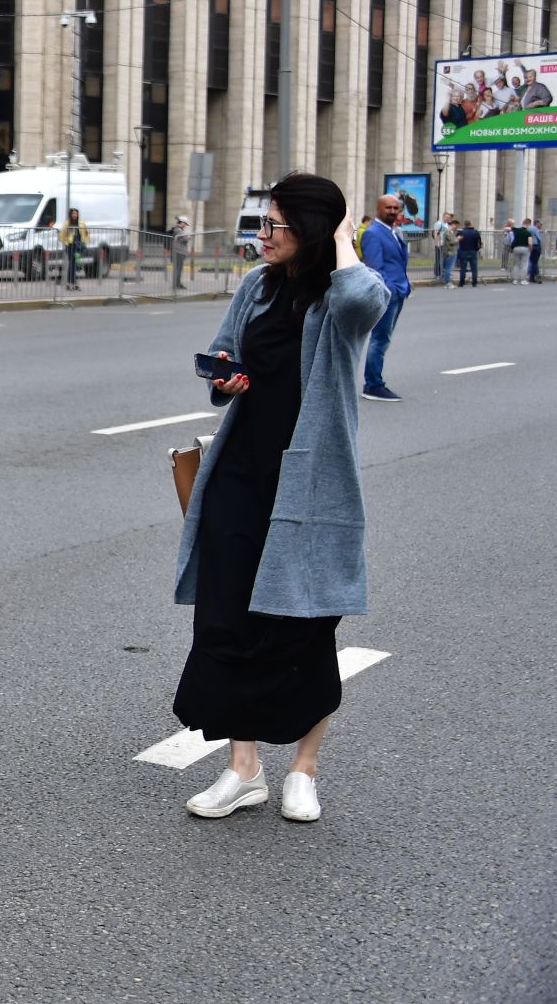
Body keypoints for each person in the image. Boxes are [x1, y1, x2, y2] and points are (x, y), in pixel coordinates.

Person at [172, 172, 388, 825]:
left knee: (304, 624)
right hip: (241, 474)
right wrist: (223, 374)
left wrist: (345, 233)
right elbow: (221, 355)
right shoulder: (254, 286)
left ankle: (304, 769)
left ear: (313, 233)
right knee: (227, 619)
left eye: (275, 226)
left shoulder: (337, 300)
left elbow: (364, 297)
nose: (260, 236)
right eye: (261, 224)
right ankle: (243, 767)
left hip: (310, 484)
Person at [359, 193, 411, 402]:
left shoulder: (394, 232)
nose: (392, 211)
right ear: (378, 209)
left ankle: (374, 382)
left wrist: (405, 287)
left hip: (399, 291)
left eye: (395, 208)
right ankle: (373, 385)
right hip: (388, 294)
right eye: (387, 208)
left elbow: (398, 262)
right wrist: (391, 290)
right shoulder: (373, 233)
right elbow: (375, 269)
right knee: (380, 339)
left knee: (383, 339)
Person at [58, 206, 90, 290]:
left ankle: (70, 283)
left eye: (76, 213)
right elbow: (61, 235)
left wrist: (85, 242)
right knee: (72, 264)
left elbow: (86, 233)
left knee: (75, 264)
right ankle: (74, 284)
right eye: (73, 213)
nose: (75, 215)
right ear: (70, 214)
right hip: (70, 245)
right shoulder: (67, 223)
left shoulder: (81, 223)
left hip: (79, 246)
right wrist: (66, 243)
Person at [431, 210, 456, 286]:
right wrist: (436, 243)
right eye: (447, 217)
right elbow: (435, 233)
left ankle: (443, 274)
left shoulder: (447, 225)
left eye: (449, 217)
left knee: (444, 260)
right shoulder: (438, 224)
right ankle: (437, 275)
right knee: (438, 260)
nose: (448, 219)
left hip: (445, 245)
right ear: (443, 216)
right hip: (440, 244)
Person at [455, 219, 482, 287]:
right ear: (470, 224)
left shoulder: (461, 232)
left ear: (464, 224)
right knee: (474, 268)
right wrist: (477, 249)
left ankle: (461, 283)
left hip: (463, 251)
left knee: (463, 268)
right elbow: (479, 243)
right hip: (473, 251)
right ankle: (474, 282)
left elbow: (456, 240)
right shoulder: (476, 232)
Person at [507, 218, 532, 284]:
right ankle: (523, 280)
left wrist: (509, 223)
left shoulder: (517, 230)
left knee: (516, 265)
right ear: (528, 224)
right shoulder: (528, 232)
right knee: (524, 265)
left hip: (515, 248)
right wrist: (530, 249)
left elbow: (509, 228)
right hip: (524, 248)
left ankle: (515, 280)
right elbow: (530, 243)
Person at [169, 216, 191, 290]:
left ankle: (178, 284)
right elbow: (185, 239)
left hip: (179, 252)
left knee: (179, 269)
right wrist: (188, 237)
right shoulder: (178, 230)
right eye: (185, 224)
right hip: (178, 252)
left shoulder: (178, 229)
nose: (185, 226)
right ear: (181, 223)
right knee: (178, 269)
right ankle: (176, 285)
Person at [529, 219, 545, 284]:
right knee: (534, 262)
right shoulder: (534, 229)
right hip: (535, 246)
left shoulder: (535, 229)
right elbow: (539, 238)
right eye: (540, 224)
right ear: (536, 223)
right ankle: (537, 275)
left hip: (535, 246)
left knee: (534, 262)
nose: (541, 225)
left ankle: (532, 277)